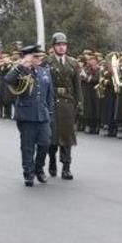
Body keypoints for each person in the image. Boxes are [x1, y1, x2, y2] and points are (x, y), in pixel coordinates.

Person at [4, 45, 54, 187]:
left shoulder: (45, 71)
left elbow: (50, 94)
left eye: (39, 56)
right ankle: (29, 173)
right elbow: (8, 80)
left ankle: (39, 168)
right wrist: (21, 65)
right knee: (27, 146)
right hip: (26, 114)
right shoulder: (20, 70)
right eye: (35, 56)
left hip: (42, 114)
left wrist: (50, 113)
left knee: (45, 143)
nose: (38, 59)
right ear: (28, 57)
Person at [43, 33, 81, 179]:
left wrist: (79, 103)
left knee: (67, 138)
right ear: (53, 47)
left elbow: (77, 86)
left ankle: (66, 167)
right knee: (52, 138)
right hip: (52, 103)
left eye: (63, 44)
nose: (61, 47)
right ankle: (52, 160)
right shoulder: (47, 62)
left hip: (68, 104)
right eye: (58, 44)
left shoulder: (73, 63)